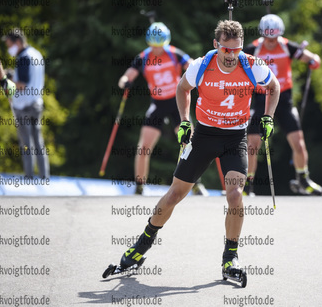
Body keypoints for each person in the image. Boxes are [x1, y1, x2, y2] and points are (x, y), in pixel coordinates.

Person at [113, 20, 279, 280]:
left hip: (235, 139)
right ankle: (140, 247)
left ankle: (230, 258)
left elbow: (274, 87)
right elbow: (182, 89)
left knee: (235, 195)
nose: (230, 56)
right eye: (226, 50)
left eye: (236, 50)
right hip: (204, 136)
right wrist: (184, 120)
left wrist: (268, 117)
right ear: (216, 45)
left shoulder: (251, 65)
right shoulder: (201, 65)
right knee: (175, 195)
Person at [117, 22, 207, 195]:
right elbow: (127, 75)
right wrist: (124, 82)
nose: (157, 50)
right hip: (158, 104)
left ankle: (195, 184)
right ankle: (139, 185)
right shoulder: (143, 57)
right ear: (149, 43)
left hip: (177, 102)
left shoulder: (174, 53)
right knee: (144, 147)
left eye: (161, 46)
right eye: (154, 46)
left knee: (190, 142)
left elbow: (193, 66)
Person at [243, 14, 322, 196]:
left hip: (283, 99)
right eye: (268, 37)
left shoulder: (287, 45)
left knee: (299, 143)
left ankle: (303, 180)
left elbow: (311, 57)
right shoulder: (254, 49)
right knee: (253, 144)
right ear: (263, 34)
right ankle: (247, 186)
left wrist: (314, 60)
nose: (271, 41)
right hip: (262, 98)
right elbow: (236, 63)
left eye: (275, 37)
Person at [2, 28, 50, 179]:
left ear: (18, 42)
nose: (10, 49)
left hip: (23, 105)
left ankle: (29, 176)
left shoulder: (23, 57)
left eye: (10, 45)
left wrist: (7, 79)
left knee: (26, 143)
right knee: (38, 140)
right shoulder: (36, 54)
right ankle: (44, 176)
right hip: (36, 102)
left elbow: (22, 84)